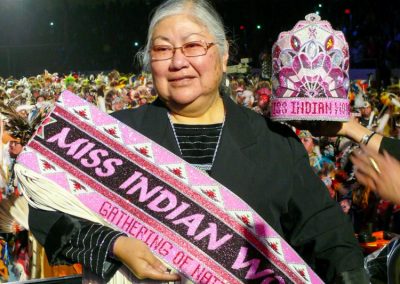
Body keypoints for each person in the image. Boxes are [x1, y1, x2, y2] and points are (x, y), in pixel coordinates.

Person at [28, 0, 368, 283]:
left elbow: (328, 239)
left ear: (222, 57)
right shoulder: (109, 134)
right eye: (162, 49)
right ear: (150, 63)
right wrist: (115, 245)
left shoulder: (276, 144)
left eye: (192, 46)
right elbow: (45, 211)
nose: (178, 62)